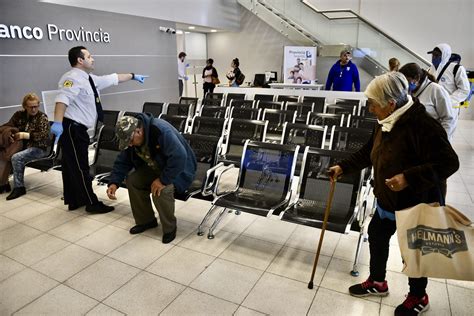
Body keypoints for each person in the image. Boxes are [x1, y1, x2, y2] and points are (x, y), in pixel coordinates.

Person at [328, 72, 459, 316]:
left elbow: (449, 163)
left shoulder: (424, 126)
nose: (370, 109)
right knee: (377, 234)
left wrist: (408, 177)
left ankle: (418, 296)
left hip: (416, 203)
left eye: (373, 104)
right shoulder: (386, 120)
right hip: (387, 199)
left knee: (414, 252)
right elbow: (369, 151)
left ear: (390, 103)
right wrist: (343, 167)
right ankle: (378, 282)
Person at [51, 46, 148, 213]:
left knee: (70, 166)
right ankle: (91, 203)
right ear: (80, 60)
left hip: (76, 129)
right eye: (89, 56)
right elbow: (62, 99)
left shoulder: (89, 79)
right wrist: (58, 122)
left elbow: (113, 78)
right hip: (72, 129)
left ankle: (74, 200)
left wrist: (133, 76)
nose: (93, 58)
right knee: (80, 167)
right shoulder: (73, 78)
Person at [106, 114, 197, 243]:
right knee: (133, 181)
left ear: (138, 130)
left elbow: (179, 157)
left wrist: (162, 180)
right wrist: (114, 181)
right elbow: (123, 160)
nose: (130, 145)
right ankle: (146, 221)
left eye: (130, 141)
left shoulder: (160, 130)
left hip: (179, 169)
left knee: (160, 190)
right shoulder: (132, 138)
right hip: (156, 166)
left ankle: (170, 228)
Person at [0, 93, 49, 200]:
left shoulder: (42, 117)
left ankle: (19, 187)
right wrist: (10, 134)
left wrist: (24, 135)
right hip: (21, 146)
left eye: (35, 106)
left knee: (17, 157)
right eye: (30, 107)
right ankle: (3, 183)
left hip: (38, 148)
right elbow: (7, 126)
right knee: (3, 152)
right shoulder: (19, 115)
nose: (33, 109)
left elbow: (43, 136)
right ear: (25, 106)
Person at [399, 62, 456, 140]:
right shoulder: (409, 92)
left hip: (433, 138)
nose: (404, 84)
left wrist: (442, 140)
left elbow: (448, 119)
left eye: (406, 80)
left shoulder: (436, 90)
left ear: (417, 78)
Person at [427, 43, 470, 111]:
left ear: (444, 55)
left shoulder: (456, 68)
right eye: (433, 54)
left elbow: (464, 90)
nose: (433, 57)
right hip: (432, 106)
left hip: (449, 107)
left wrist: (448, 101)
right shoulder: (430, 69)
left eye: (437, 55)